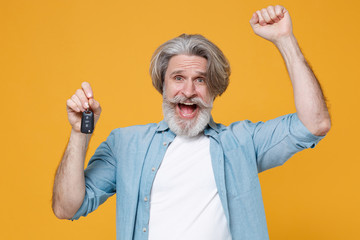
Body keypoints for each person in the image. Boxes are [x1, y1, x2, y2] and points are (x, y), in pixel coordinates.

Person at [52, 5, 331, 240]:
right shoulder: (125, 144)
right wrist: (79, 134)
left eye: (200, 80)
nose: (188, 92)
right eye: (178, 78)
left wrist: (285, 40)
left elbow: (314, 123)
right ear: (162, 85)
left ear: (214, 89)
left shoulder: (243, 142)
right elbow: (66, 208)